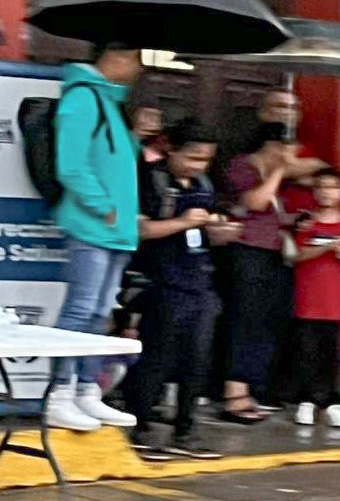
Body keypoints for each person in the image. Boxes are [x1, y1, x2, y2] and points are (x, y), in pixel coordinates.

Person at [45, 42, 143, 432]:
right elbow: (71, 165)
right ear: (116, 57)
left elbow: (114, 162)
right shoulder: (83, 98)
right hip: (92, 225)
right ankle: (59, 395)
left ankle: (87, 390)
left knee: (101, 311)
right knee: (81, 308)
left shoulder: (111, 102)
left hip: (116, 230)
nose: (138, 69)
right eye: (136, 59)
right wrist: (102, 205)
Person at [124, 119, 237, 460]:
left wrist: (219, 230)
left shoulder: (204, 184)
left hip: (199, 280)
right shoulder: (150, 179)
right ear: (171, 148)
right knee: (156, 357)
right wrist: (183, 222)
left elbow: (207, 230)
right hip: (161, 280)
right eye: (192, 157)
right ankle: (141, 426)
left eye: (205, 160)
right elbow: (140, 230)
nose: (198, 165)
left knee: (197, 360)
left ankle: (186, 430)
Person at [219, 122, 297, 423]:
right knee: (244, 320)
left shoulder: (275, 174)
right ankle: (233, 392)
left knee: (266, 321)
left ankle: (255, 387)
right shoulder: (243, 167)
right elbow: (255, 202)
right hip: (246, 250)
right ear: (269, 146)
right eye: (283, 148)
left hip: (273, 253)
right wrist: (279, 170)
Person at [290, 169, 340, 428]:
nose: (326, 192)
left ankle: (333, 401)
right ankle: (307, 400)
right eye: (321, 186)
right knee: (306, 351)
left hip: (335, 302)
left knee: (331, 353)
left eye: (333, 187)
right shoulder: (307, 222)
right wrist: (325, 247)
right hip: (307, 299)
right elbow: (297, 255)